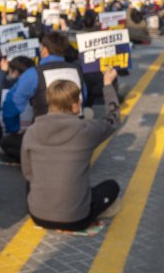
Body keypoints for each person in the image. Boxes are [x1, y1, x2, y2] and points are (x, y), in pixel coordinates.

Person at [21, 69, 122, 232]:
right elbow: (113, 119)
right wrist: (108, 84)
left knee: (31, 180)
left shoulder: (31, 131)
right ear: (75, 106)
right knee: (112, 187)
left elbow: (28, 173)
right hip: (76, 219)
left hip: (37, 215)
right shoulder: (86, 130)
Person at [0, 33, 86, 160]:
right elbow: (84, 97)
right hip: (74, 135)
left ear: (44, 50)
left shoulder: (34, 74)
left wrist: (14, 129)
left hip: (44, 137)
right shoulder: (76, 70)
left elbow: (11, 104)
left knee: (5, 142)